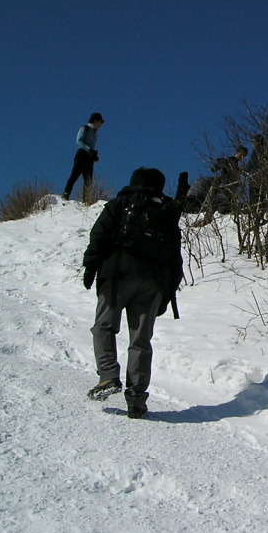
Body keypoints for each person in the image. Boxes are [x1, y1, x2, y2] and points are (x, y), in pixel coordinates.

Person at [82, 167, 183, 419]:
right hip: (153, 282)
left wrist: (91, 266)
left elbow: (99, 235)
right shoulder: (167, 212)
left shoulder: (121, 204)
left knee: (104, 327)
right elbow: (174, 257)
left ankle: (108, 377)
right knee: (140, 340)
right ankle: (137, 400)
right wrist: (168, 292)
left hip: (118, 274)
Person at [63, 112, 105, 200]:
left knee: (88, 179)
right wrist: (89, 149)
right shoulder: (85, 128)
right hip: (81, 154)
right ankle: (66, 193)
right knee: (75, 175)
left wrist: (93, 155)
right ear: (95, 121)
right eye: (100, 122)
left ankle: (86, 198)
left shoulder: (95, 133)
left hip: (89, 157)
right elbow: (79, 141)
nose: (101, 124)